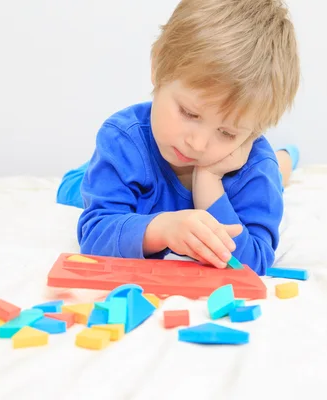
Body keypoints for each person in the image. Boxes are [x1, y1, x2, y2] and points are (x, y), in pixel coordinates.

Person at [57, 0, 300, 276]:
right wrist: (162, 229)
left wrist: (208, 181)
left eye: (227, 133)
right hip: (98, 175)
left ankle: (286, 157)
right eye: (189, 113)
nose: (197, 144)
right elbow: (95, 235)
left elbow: (254, 262)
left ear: (253, 133)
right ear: (157, 67)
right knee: (71, 190)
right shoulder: (123, 141)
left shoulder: (255, 166)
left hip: (258, 170)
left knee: (275, 174)